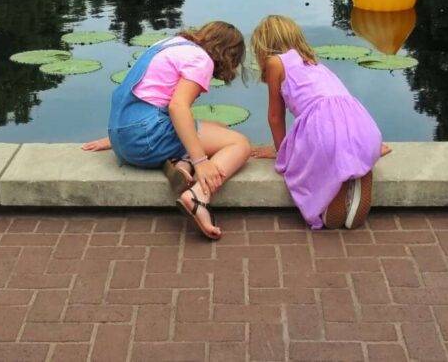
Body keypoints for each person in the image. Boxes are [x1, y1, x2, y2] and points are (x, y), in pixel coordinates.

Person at [81, 22, 249, 240]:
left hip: (125, 133)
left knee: (220, 128)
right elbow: (177, 107)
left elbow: (144, 91)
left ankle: (182, 163)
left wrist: (115, 138)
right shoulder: (202, 60)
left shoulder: (171, 43)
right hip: (146, 139)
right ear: (227, 54)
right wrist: (202, 162)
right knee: (240, 144)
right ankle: (197, 196)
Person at [249, 15, 390, 230]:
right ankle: (362, 167)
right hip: (363, 128)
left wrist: (283, 153)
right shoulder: (314, 63)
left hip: (324, 129)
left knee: (300, 169)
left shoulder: (274, 62)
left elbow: (276, 116)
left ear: (264, 45)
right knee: (337, 145)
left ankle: (332, 192)